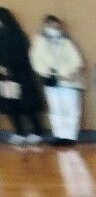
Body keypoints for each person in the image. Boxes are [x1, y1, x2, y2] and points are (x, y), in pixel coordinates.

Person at [29, 15, 85, 146]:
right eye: (50, 25)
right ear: (45, 25)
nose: (54, 27)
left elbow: (77, 61)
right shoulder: (38, 42)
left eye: (56, 25)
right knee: (55, 109)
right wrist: (49, 72)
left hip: (69, 80)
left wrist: (64, 72)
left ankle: (70, 136)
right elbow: (36, 61)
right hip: (50, 80)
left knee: (71, 108)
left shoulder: (66, 41)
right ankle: (59, 135)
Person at [0, 8, 45, 145]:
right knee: (11, 105)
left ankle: (37, 131)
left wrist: (8, 66)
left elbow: (23, 55)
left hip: (21, 75)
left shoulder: (18, 35)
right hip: (4, 78)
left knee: (27, 103)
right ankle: (19, 132)